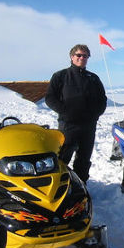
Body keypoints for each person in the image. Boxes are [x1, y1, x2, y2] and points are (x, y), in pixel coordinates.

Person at [45, 44, 107, 183]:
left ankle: (81, 186)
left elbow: (102, 99)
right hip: (68, 125)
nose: (82, 58)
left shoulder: (93, 78)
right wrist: (65, 111)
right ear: (72, 57)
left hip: (88, 125)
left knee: (84, 159)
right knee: (63, 158)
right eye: (79, 55)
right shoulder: (60, 76)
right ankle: (59, 186)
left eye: (85, 56)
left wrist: (95, 114)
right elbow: (50, 98)